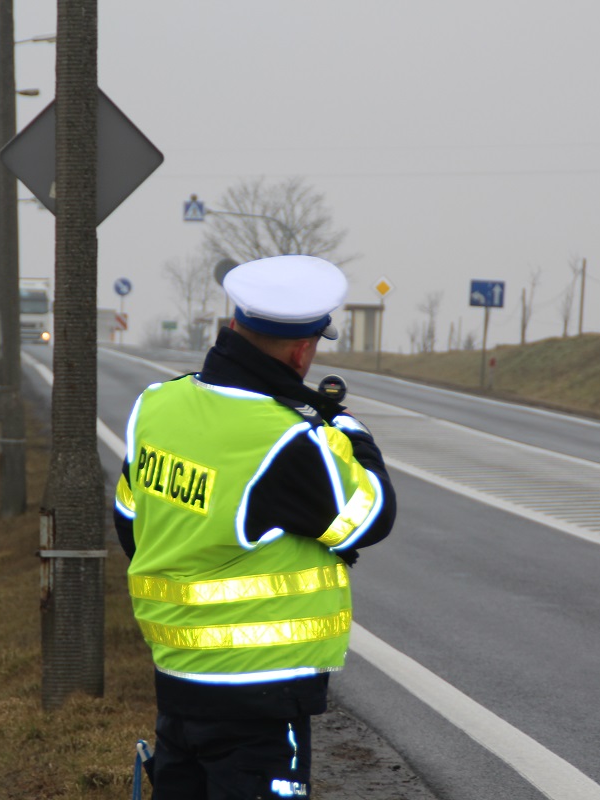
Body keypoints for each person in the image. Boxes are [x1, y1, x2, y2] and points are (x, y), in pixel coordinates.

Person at [113, 254, 397, 800]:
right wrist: (349, 432)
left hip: (176, 681)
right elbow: (373, 516)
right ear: (303, 349)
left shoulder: (157, 406)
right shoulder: (286, 441)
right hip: (261, 697)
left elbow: (131, 526)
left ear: (234, 326)